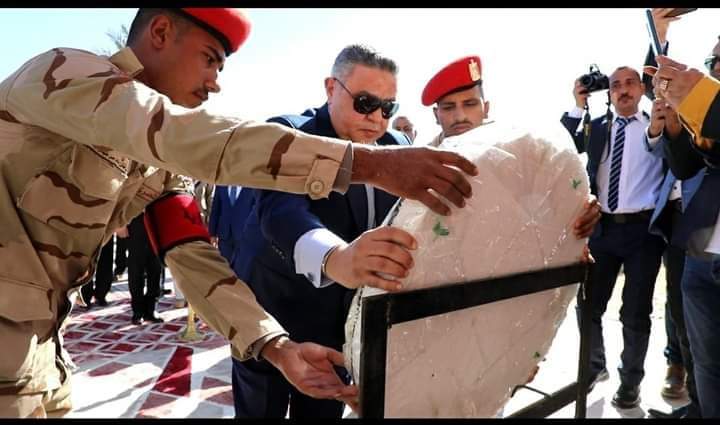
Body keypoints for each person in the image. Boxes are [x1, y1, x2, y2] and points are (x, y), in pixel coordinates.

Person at [0, 8, 479, 417]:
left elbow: (191, 254)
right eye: (210, 60)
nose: (215, 83)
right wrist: (366, 166)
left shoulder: (157, 170)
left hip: (37, 356)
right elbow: (185, 137)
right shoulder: (64, 73)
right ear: (161, 33)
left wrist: (275, 346)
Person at [228, 44, 413, 418]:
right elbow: (281, 213)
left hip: (342, 331)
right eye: (364, 102)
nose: (377, 118)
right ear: (331, 88)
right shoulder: (289, 135)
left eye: (387, 108)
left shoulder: (397, 150)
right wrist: (335, 258)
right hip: (273, 320)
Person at [560, 65, 666, 408]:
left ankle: (630, 382)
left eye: (630, 83)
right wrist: (578, 104)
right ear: (608, 92)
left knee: (635, 313)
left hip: (643, 232)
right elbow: (565, 143)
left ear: (641, 89)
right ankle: (595, 367)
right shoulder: (599, 127)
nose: (623, 90)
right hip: (603, 229)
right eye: (615, 85)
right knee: (587, 304)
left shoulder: (656, 125)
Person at [421, 55, 601, 243]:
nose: (460, 116)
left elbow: (558, 187)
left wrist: (582, 206)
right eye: (449, 107)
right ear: (436, 114)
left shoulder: (517, 148)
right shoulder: (423, 162)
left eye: (470, 104)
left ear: (486, 108)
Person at [646, 53, 720, 418]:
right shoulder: (708, 106)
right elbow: (687, 166)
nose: (717, 64)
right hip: (702, 252)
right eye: (715, 57)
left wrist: (705, 101)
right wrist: (676, 124)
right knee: (706, 361)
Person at [641, 8, 703, 418]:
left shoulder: (707, 109)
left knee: (702, 315)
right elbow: (656, 88)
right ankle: (679, 369)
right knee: (681, 305)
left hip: (706, 220)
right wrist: (658, 31)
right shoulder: (676, 109)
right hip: (675, 221)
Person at [126, 213, 164, 325]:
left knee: (156, 269)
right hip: (135, 222)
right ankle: (137, 312)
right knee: (136, 271)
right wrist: (120, 225)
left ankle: (151, 309)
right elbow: (122, 199)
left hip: (156, 223)